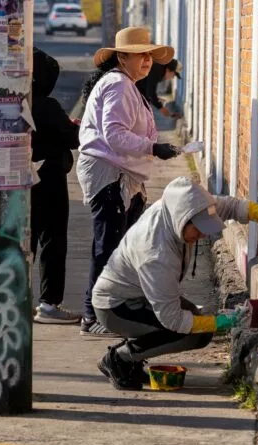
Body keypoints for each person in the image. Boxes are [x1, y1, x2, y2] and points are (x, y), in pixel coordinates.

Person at [92, 176, 258, 390]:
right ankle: (118, 359)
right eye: (197, 229)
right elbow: (173, 320)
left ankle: (131, 357)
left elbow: (228, 206)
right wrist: (218, 322)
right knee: (190, 333)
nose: (200, 235)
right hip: (115, 308)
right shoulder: (156, 253)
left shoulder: (181, 207)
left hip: (141, 296)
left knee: (198, 328)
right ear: (183, 219)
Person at [77, 26, 181, 337]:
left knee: (121, 245)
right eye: (141, 54)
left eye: (150, 54)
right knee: (108, 245)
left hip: (123, 175)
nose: (148, 60)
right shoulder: (119, 85)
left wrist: (155, 147)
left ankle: (113, 308)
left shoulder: (127, 85)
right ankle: (92, 314)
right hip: (109, 174)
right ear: (123, 57)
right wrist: (153, 148)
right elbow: (115, 135)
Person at [30, 47, 81, 324]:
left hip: (23, 182)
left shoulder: (14, 102)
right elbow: (73, 138)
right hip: (48, 180)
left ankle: (17, 298)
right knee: (52, 240)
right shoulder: (47, 106)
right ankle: (49, 303)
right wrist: (75, 127)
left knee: (25, 242)